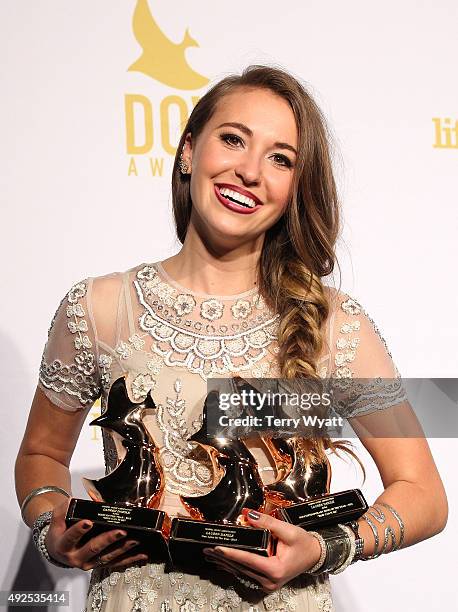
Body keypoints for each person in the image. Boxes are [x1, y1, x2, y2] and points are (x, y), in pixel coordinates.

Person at [15, 65, 447, 612]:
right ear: (189, 152)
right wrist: (53, 528)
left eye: (280, 158)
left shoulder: (332, 324)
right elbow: (41, 454)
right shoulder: (100, 309)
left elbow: (424, 493)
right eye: (233, 139)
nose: (248, 171)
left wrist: (324, 546)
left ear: (295, 189)